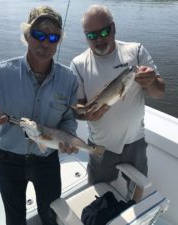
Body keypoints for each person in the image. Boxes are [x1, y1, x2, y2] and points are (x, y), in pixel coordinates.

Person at [0, 5, 78, 225]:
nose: (45, 43)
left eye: (53, 37)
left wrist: (68, 135)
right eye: (39, 35)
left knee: (51, 216)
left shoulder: (69, 79)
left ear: (59, 40)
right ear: (26, 35)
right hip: (9, 160)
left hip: (47, 161)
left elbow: (69, 117)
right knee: (14, 219)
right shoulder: (2, 73)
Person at [70, 5, 165, 199]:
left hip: (135, 141)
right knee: (98, 191)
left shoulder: (136, 51)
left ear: (113, 28)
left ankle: (135, 209)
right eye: (91, 35)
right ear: (85, 35)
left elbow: (159, 93)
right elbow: (78, 109)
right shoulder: (78, 64)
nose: (98, 39)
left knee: (138, 188)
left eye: (104, 31)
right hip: (100, 145)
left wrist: (153, 81)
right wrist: (85, 114)